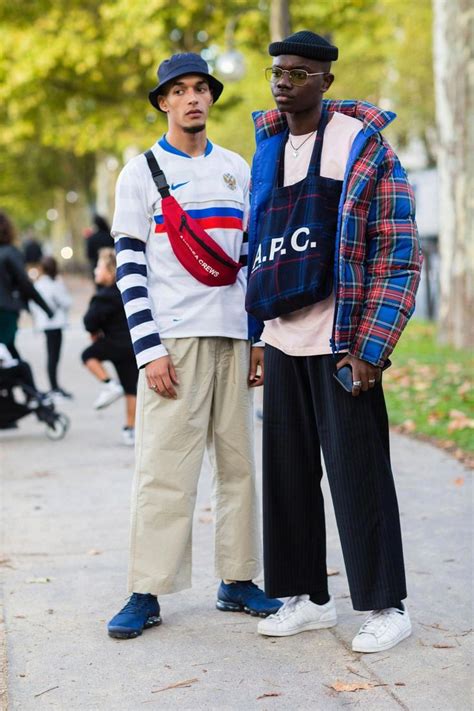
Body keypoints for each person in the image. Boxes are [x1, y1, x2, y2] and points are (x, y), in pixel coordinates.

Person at [245, 31, 422, 653]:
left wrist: (371, 347)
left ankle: (386, 605)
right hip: (284, 337)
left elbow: (398, 252)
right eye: (277, 71)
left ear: (326, 80)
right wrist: (258, 336)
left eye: (297, 72)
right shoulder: (267, 148)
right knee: (287, 476)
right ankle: (306, 598)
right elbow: (258, 250)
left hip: (342, 338)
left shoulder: (362, 145)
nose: (282, 81)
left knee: (358, 474)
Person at [107, 52, 282, 639]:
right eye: (179, 90)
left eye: (200, 89)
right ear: (163, 102)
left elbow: (253, 261)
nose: (192, 99)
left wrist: (258, 337)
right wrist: (148, 349)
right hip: (173, 342)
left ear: (211, 98)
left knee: (238, 467)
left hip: (234, 336)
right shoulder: (139, 173)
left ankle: (238, 578)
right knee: (163, 469)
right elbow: (129, 268)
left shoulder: (237, 168)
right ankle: (147, 589)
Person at [81, 248, 138, 446]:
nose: (96, 270)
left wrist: (94, 332)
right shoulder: (126, 291)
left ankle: (108, 384)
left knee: (88, 355)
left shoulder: (103, 296)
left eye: (99, 267)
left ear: (110, 271)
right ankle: (130, 429)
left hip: (113, 343)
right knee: (132, 389)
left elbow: (89, 321)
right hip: (131, 346)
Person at [0, 211, 53, 359]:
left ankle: (25, 380)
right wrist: (46, 309)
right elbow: (25, 284)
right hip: (5, 311)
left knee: (8, 354)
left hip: (5, 310)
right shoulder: (10, 253)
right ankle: (26, 381)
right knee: (8, 353)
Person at [29, 256, 72, 399]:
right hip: (55, 324)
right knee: (54, 357)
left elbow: (33, 306)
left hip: (46, 325)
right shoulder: (55, 284)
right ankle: (54, 387)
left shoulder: (38, 284)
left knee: (52, 356)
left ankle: (55, 386)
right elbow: (66, 302)